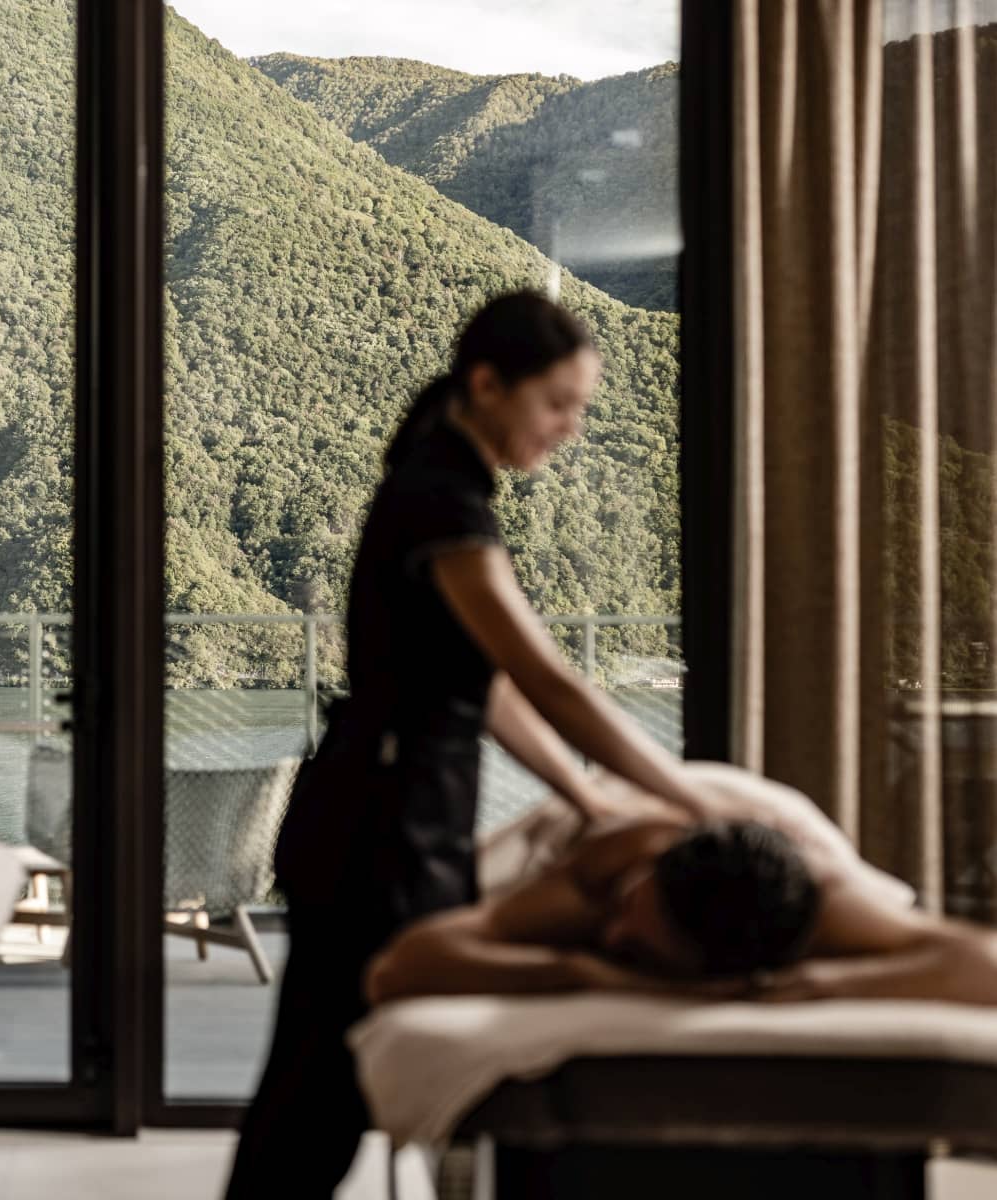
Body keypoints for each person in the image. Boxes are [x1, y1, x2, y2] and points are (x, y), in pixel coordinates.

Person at [226, 293, 719, 1199]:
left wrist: (587, 796)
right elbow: (546, 681)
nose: (569, 428)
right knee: (315, 1100)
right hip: (379, 833)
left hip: (389, 819)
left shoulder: (443, 485)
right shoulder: (441, 500)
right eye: (556, 403)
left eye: (579, 407)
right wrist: (693, 803)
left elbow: (481, 689)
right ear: (488, 384)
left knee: (320, 1089)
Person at [363, 813, 997, 1009]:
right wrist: (579, 973)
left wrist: (827, 983)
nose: (613, 935)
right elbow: (398, 968)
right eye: (628, 912)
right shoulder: (607, 879)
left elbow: (983, 961)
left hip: (785, 839)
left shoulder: (820, 909)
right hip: (617, 818)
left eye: (641, 950)